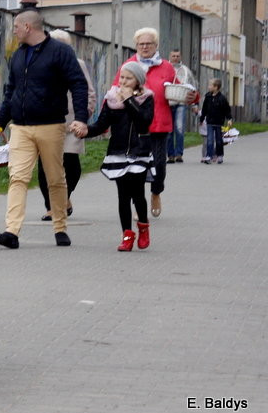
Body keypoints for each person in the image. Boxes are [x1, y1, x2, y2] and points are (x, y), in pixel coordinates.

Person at [0, 10, 89, 249]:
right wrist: (0, 120)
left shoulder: (60, 52)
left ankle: (60, 227)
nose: (13, 31)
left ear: (27, 27)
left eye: (16, 26)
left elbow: (78, 84)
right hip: (21, 128)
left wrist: (82, 118)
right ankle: (11, 231)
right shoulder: (17, 56)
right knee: (17, 177)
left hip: (51, 125)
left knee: (55, 179)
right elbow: (10, 90)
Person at [73, 62, 154, 251]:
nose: (124, 81)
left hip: (139, 151)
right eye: (122, 77)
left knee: (138, 195)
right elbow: (101, 125)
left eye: (129, 78)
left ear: (138, 81)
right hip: (117, 152)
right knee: (123, 196)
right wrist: (85, 131)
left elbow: (144, 122)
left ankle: (143, 227)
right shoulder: (111, 98)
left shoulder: (146, 98)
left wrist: (129, 100)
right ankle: (127, 234)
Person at [113, 28, 175, 218]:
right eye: (141, 44)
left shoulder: (166, 67)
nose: (145, 47)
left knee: (159, 164)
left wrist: (189, 96)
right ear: (136, 46)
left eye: (149, 43)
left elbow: (177, 87)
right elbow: (115, 90)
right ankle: (135, 201)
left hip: (158, 123)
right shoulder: (129, 65)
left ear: (156, 46)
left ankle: (156, 192)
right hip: (133, 125)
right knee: (133, 167)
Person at [36, 29, 97, 221]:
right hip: (46, 122)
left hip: (72, 122)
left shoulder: (77, 64)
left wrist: (85, 114)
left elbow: (89, 92)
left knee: (71, 165)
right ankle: (51, 207)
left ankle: (64, 197)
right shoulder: (41, 63)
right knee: (45, 165)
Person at [166, 49, 200, 164]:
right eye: (173, 55)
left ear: (180, 57)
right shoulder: (165, 68)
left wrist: (194, 104)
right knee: (169, 130)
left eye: (177, 56)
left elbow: (193, 87)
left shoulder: (185, 71)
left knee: (179, 129)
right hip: (168, 102)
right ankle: (170, 155)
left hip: (181, 103)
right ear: (169, 56)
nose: (175, 58)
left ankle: (179, 154)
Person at [199, 78, 233, 164]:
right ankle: (208, 156)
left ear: (216, 87)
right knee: (209, 140)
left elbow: (227, 110)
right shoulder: (208, 97)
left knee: (219, 140)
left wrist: (229, 119)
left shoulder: (222, 98)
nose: (208, 86)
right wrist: (202, 119)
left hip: (219, 123)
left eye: (210, 85)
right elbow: (204, 109)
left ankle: (220, 155)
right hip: (209, 122)